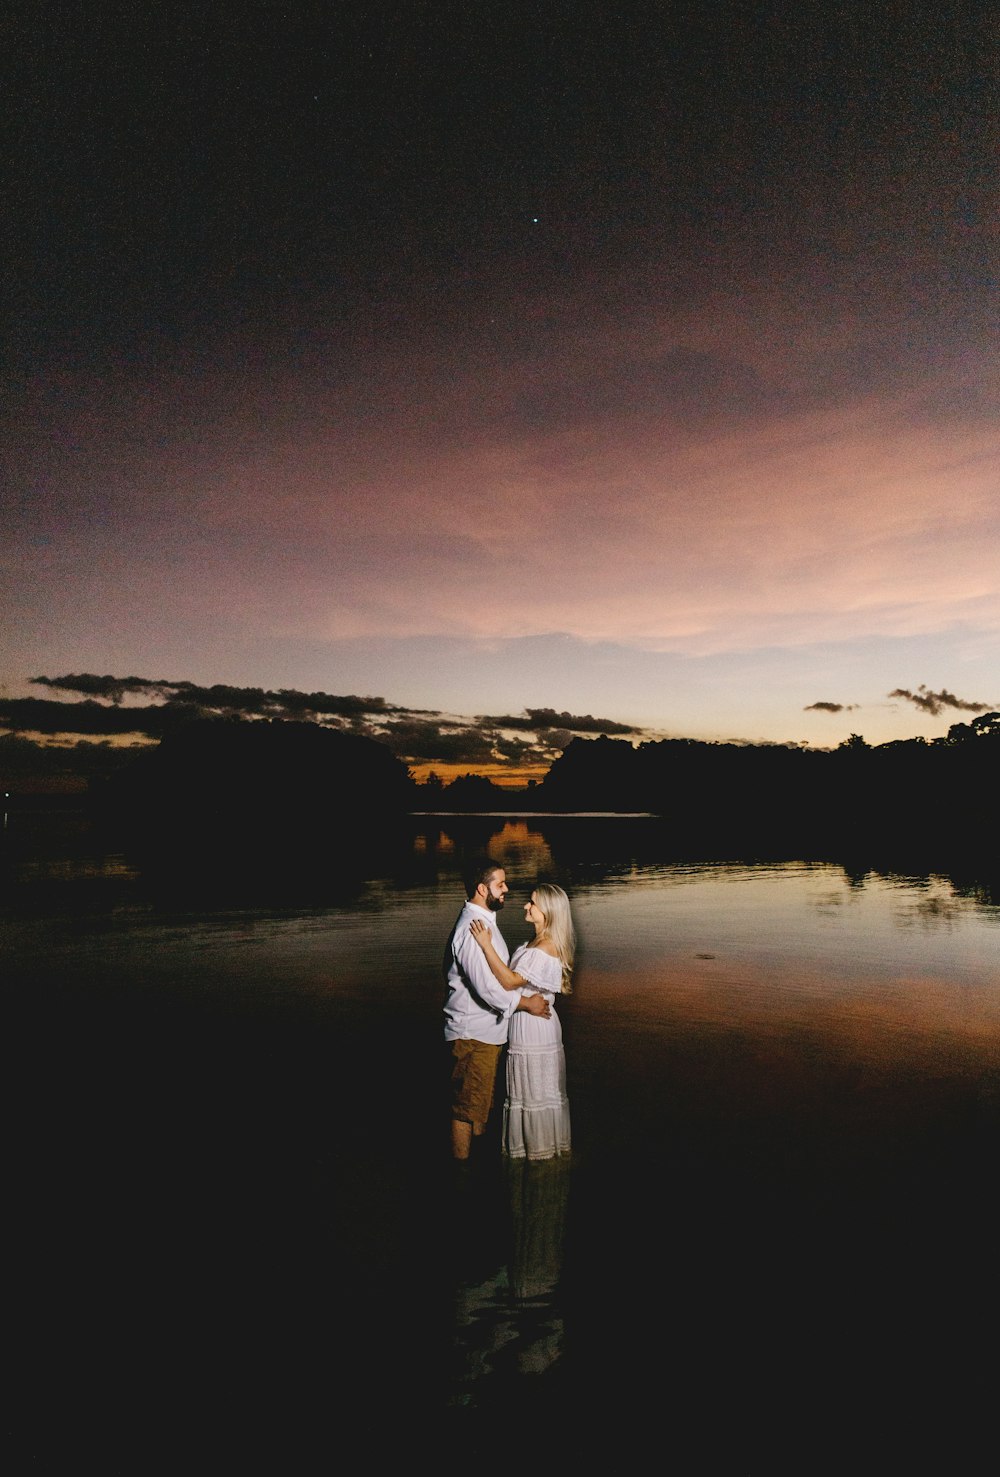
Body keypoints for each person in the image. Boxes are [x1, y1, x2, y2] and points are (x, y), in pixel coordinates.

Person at [444, 860, 551, 1161]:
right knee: (466, 1109)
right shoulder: (471, 928)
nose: (506, 889)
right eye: (500, 884)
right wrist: (526, 1003)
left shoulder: (485, 922)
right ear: (482, 888)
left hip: (485, 1034)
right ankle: (461, 1175)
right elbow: (487, 988)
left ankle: (475, 1168)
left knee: (478, 1105)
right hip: (472, 1034)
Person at [469, 883, 574, 1162]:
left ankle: (540, 1157)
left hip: (536, 1027)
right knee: (526, 1092)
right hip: (526, 1022)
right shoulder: (535, 943)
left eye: (533, 904)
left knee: (537, 1092)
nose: (526, 906)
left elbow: (510, 981)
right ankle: (533, 1156)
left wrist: (485, 945)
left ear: (548, 913)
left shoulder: (547, 947)